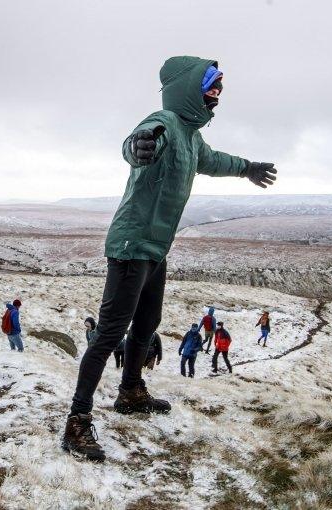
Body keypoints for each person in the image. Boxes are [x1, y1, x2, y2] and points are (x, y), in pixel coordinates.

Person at [61, 55, 278, 462]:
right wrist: (139, 148)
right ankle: (77, 420)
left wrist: (247, 167)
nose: (217, 93)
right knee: (110, 333)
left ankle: (130, 391)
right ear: (188, 88)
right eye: (210, 85)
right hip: (131, 245)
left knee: (147, 324)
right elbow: (140, 139)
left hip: (156, 248)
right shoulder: (162, 122)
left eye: (220, 88)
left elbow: (215, 162)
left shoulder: (192, 139)